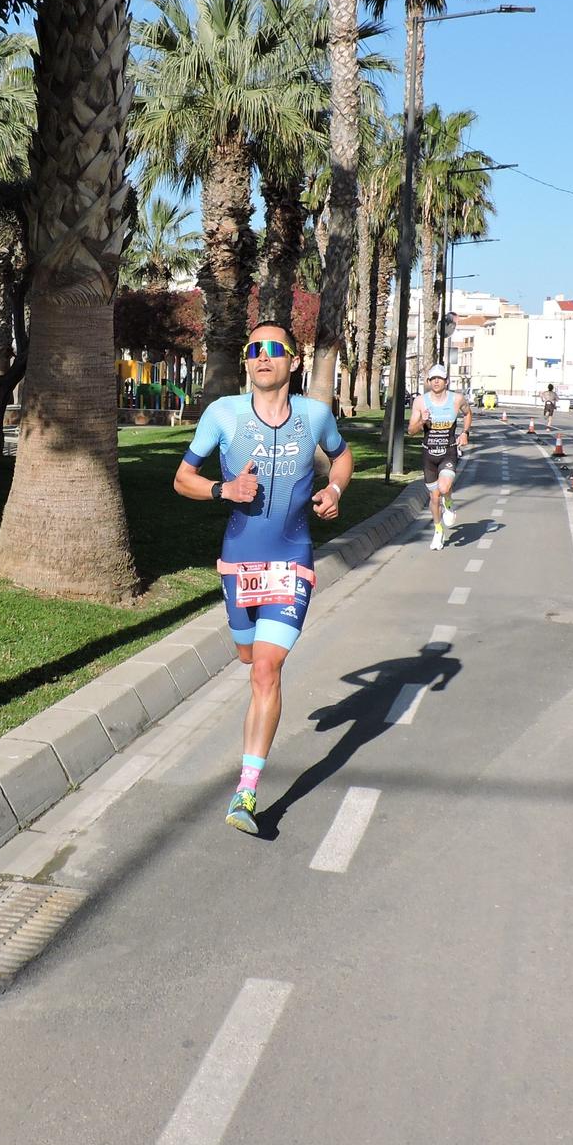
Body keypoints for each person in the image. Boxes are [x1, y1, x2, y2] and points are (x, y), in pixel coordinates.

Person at [174, 321, 352, 834]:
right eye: (254, 349)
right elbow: (182, 478)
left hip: (292, 559)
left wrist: (335, 492)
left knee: (265, 671)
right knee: (248, 657)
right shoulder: (222, 414)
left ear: (293, 361)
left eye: (274, 349)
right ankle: (251, 752)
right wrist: (221, 491)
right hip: (239, 563)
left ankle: (245, 793)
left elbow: (342, 459)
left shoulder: (315, 416)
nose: (262, 356)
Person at [407, 362, 471, 551]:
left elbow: (468, 414)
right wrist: (422, 421)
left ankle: (449, 504)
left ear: (446, 381)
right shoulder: (420, 402)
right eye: (432, 379)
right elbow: (411, 430)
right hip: (429, 454)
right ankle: (438, 530)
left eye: (439, 378)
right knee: (434, 498)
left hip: (448, 451)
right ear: (428, 381)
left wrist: (465, 432)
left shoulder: (456, 399)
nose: (436, 382)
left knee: (444, 487)